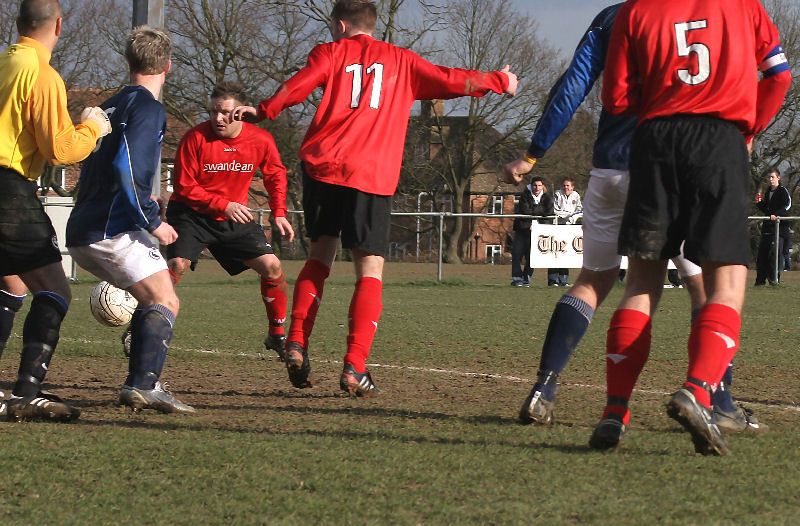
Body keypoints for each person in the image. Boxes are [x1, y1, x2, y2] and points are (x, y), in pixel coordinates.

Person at [504, 3, 767, 435]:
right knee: (703, 285)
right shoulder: (702, 13)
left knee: (592, 279)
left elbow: (573, 86)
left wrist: (534, 152)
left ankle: (544, 389)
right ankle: (718, 400)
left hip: (609, 167)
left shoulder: (615, 17)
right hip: (669, 163)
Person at [233, 0, 517, 396]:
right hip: (370, 176)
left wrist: (262, 110)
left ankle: (296, 341)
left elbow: (297, 87)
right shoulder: (402, 60)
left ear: (341, 24)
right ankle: (354, 368)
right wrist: (500, 81)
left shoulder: (329, 52)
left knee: (319, 258)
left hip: (321, 168)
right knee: (369, 271)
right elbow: (454, 80)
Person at [593, 0, 790, 455]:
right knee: (728, 280)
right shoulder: (745, 6)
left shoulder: (636, 8)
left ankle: (615, 412)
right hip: (719, 141)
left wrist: (664, 102)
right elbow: (778, 76)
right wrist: (748, 129)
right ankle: (698, 391)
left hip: (655, 141)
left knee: (641, 282)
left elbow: (616, 98)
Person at [66, 25, 194, 414]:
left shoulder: (110, 103)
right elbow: (126, 166)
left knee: (151, 298)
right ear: (168, 66)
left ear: (128, 62)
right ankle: (143, 385)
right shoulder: (149, 108)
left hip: (83, 226)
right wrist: (152, 219)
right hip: (112, 228)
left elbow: (105, 165)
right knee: (165, 299)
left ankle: (141, 379)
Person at [0, 0, 111, 422]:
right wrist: (93, 128)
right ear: (59, 25)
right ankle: (27, 391)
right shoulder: (42, 75)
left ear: (18, 23)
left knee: (10, 284)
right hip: (9, 190)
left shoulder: (3, 65)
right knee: (55, 288)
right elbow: (60, 150)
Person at [162, 81, 293, 361]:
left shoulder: (260, 140)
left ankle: (277, 335)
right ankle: (142, 325)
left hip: (232, 216)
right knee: (176, 265)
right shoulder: (195, 138)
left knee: (272, 267)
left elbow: (275, 175)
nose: (218, 118)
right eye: (213, 112)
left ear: (242, 113)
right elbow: (183, 187)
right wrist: (224, 204)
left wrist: (279, 212)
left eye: (225, 113)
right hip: (190, 214)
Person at [510, 177, 552, 287]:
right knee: (516, 254)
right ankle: (517, 278)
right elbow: (525, 211)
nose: (537, 188)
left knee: (532, 257)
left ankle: (526, 278)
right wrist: (540, 211)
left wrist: (535, 211)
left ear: (542, 186)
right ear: (531, 186)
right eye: (535, 185)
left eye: (539, 185)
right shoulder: (524, 196)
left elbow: (549, 211)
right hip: (522, 229)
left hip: (538, 232)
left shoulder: (547, 197)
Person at [755, 168, 791, 286]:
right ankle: (760, 282)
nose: (770, 180)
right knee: (762, 256)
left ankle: (774, 281)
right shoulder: (768, 191)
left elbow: (787, 205)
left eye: (772, 177)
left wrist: (777, 215)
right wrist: (760, 203)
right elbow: (767, 210)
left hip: (779, 230)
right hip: (767, 229)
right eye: (769, 177)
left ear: (778, 178)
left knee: (773, 255)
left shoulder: (782, 191)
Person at [550, 176, 583, 286]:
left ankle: (564, 281)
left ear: (572, 187)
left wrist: (574, 217)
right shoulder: (557, 194)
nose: (566, 187)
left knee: (565, 254)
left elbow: (580, 210)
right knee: (555, 252)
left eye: (568, 185)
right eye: (564, 185)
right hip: (558, 226)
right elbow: (556, 210)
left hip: (570, 227)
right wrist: (569, 215)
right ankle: (553, 280)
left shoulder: (576, 195)